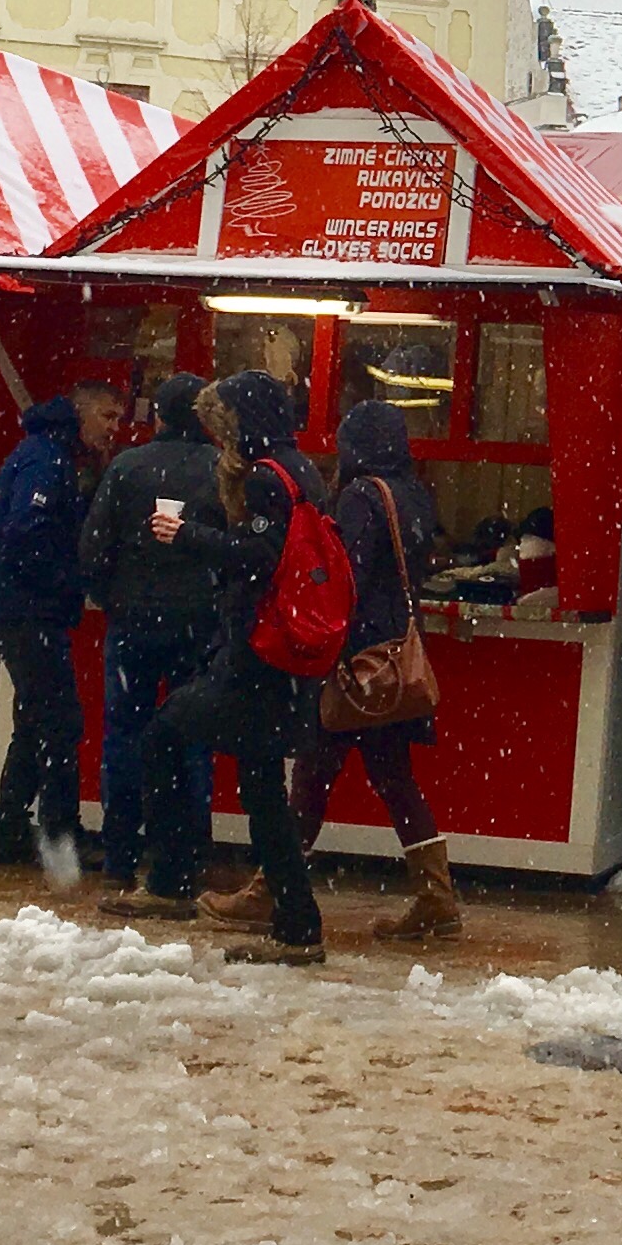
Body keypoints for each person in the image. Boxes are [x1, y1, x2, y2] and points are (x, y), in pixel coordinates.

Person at [232, 396, 461, 948]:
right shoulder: (411, 493)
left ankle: (274, 888)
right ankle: (437, 898)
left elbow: (341, 575)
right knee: (391, 778)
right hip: (390, 662)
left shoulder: (362, 495)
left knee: (312, 775)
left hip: (354, 662)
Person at [110, 372, 322, 962]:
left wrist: (188, 536)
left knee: (164, 734)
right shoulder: (299, 468)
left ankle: (175, 880)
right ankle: (297, 923)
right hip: (282, 656)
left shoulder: (264, 480)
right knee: (261, 787)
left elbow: (257, 555)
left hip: (256, 655)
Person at [80, 374, 225, 895]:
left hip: (134, 624)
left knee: (126, 735)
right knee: (192, 738)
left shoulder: (126, 468)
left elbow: (93, 549)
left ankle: (120, 851)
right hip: (200, 627)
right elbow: (233, 553)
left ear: (159, 416)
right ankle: (187, 854)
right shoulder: (220, 470)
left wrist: (114, 598)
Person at [0, 381, 122, 867]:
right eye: (107, 416)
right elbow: (27, 533)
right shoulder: (47, 462)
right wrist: (70, 579)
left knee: (36, 719)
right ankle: (59, 833)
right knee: (59, 722)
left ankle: (10, 826)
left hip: (17, 608)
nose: (113, 428)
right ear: (80, 415)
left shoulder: (47, 454)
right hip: (28, 610)